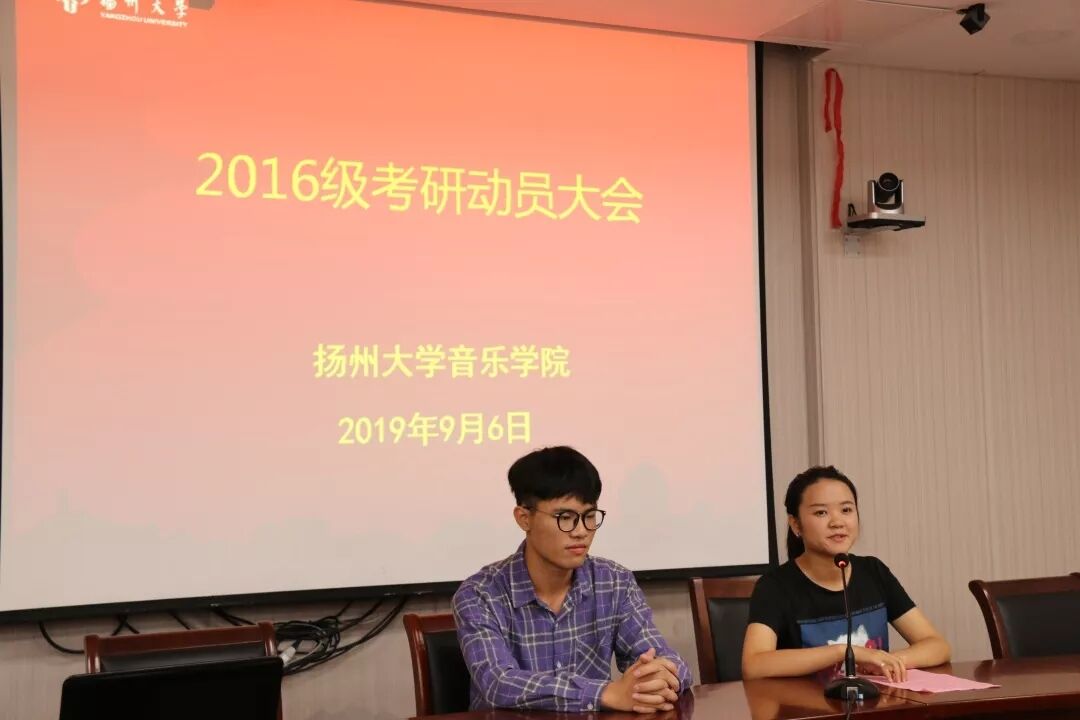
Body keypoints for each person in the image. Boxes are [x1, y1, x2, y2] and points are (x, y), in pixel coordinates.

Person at [453, 446, 693, 713]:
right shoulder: (480, 594)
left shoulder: (614, 582)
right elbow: (498, 684)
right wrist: (603, 693)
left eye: (589, 516)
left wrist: (662, 677)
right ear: (524, 518)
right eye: (565, 518)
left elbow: (665, 658)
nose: (581, 531)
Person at [742, 465, 950, 681]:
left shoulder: (874, 571)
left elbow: (937, 646)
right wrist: (844, 652)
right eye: (821, 512)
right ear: (796, 524)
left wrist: (886, 661)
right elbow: (754, 665)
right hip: (808, 703)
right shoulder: (775, 586)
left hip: (873, 700)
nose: (837, 522)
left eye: (846, 510)